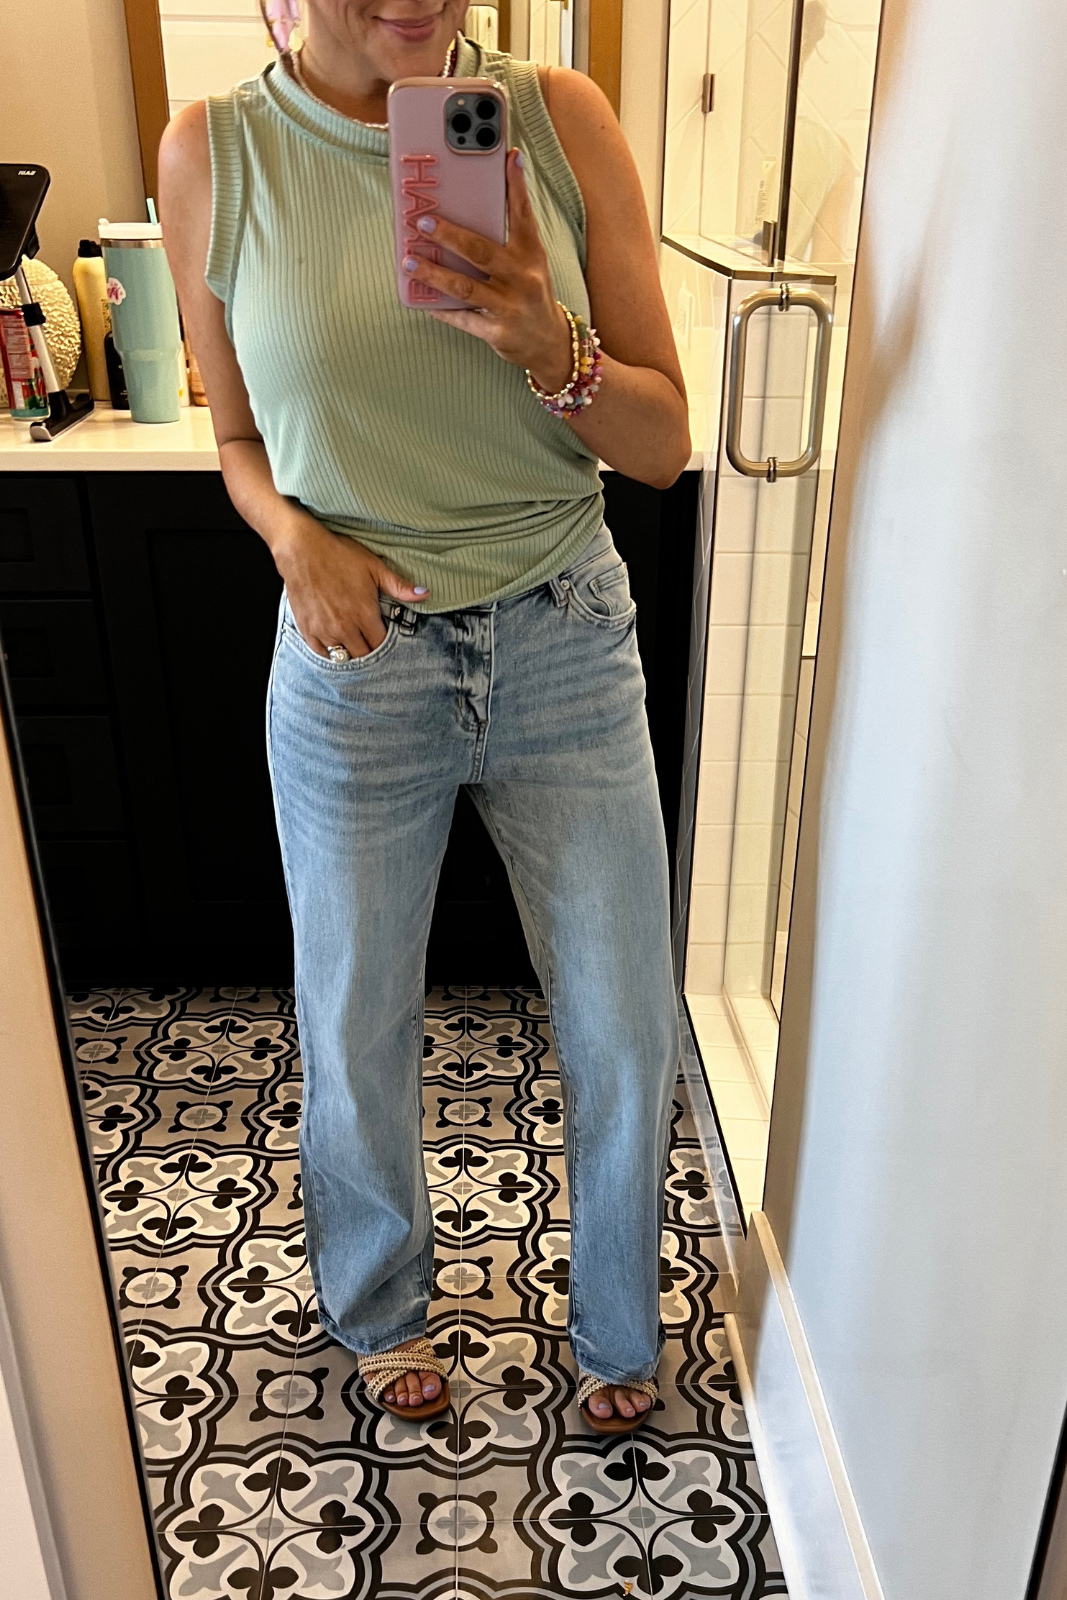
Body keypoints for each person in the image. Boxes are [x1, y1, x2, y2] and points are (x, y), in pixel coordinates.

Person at [158, 0, 689, 1433]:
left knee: (624, 1017)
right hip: (356, 660)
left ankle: (619, 1325)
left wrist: (547, 342)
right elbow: (235, 436)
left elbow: (661, 444)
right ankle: (382, 1306)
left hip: (563, 634)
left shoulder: (559, 123)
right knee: (353, 1019)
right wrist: (291, 538)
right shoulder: (214, 152)